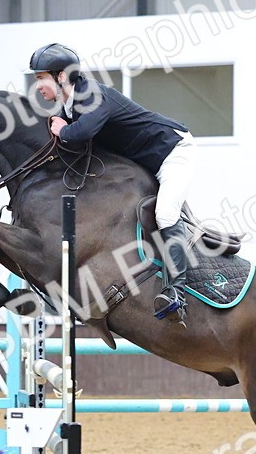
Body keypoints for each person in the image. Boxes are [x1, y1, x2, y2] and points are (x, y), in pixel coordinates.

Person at [27, 42, 197, 324]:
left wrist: (62, 130)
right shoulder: (69, 106)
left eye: (40, 78)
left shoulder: (92, 94)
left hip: (173, 152)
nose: (38, 87)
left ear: (60, 76)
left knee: (166, 213)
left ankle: (177, 294)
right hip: (145, 165)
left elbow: (83, 132)